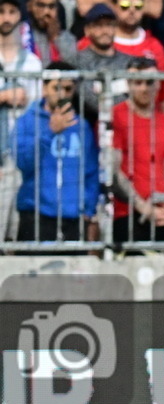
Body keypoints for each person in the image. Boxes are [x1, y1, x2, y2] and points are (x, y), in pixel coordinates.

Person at [15, 62, 99, 243]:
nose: (62, 94)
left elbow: (91, 172)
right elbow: (23, 164)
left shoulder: (82, 126)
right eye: (56, 88)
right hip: (36, 213)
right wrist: (49, 132)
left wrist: (89, 209)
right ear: (44, 88)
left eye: (68, 89)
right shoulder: (27, 121)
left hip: (74, 217)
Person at [110, 56, 164, 245]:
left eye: (149, 82)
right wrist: (143, 207)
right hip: (128, 214)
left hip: (162, 212)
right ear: (128, 85)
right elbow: (113, 171)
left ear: (159, 84)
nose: (144, 88)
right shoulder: (115, 117)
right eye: (137, 83)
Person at [1, 0, 43, 242]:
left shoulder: (32, 63)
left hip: (19, 155)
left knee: (17, 232)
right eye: (1, 12)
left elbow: (37, 112)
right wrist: (5, 96)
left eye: (11, 12)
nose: (6, 18)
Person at [70, 3, 132, 123]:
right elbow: (92, 102)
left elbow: (137, 99)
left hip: (125, 128)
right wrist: (124, 99)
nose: (105, 31)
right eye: (98, 25)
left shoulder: (129, 62)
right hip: (90, 128)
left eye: (109, 25)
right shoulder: (78, 61)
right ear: (87, 30)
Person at [24, 0, 78, 64]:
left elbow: (73, 66)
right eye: (41, 5)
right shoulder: (22, 34)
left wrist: (56, 37)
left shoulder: (67, 37)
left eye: (52, 6)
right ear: (29, 6)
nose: (47, 12)